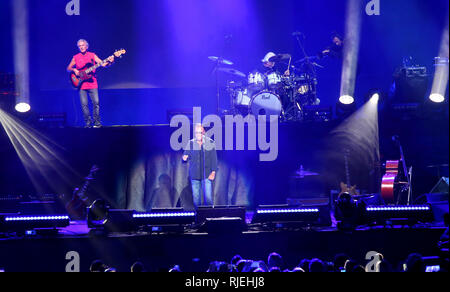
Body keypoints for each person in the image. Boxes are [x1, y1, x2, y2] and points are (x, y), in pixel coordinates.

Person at [67, 39, 114, 128]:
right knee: (84, 104)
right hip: (81, 84)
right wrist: (74, 69)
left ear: (87, 46)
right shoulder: (76, 57)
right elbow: (68, 68)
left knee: (96, 103)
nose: (81, 47)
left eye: (83, 45)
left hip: (92, 83)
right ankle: (88, 123)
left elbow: (103, 64)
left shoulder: (92, 55)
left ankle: (97, 123)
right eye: (79, 46)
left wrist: (110, 61)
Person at [182, 124, 218, 207]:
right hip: (195, 175)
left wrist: (213, 172)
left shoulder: (210, 142)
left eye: (200, 132)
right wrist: (184, 158)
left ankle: (209, 216)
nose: (198, 134)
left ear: (204, 132)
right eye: (197, 133)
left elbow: (214, 158)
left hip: (207, 174)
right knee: (196, 199)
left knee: (208, 198)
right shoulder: (191, 143)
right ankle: (198, 217)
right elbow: (185, 156)